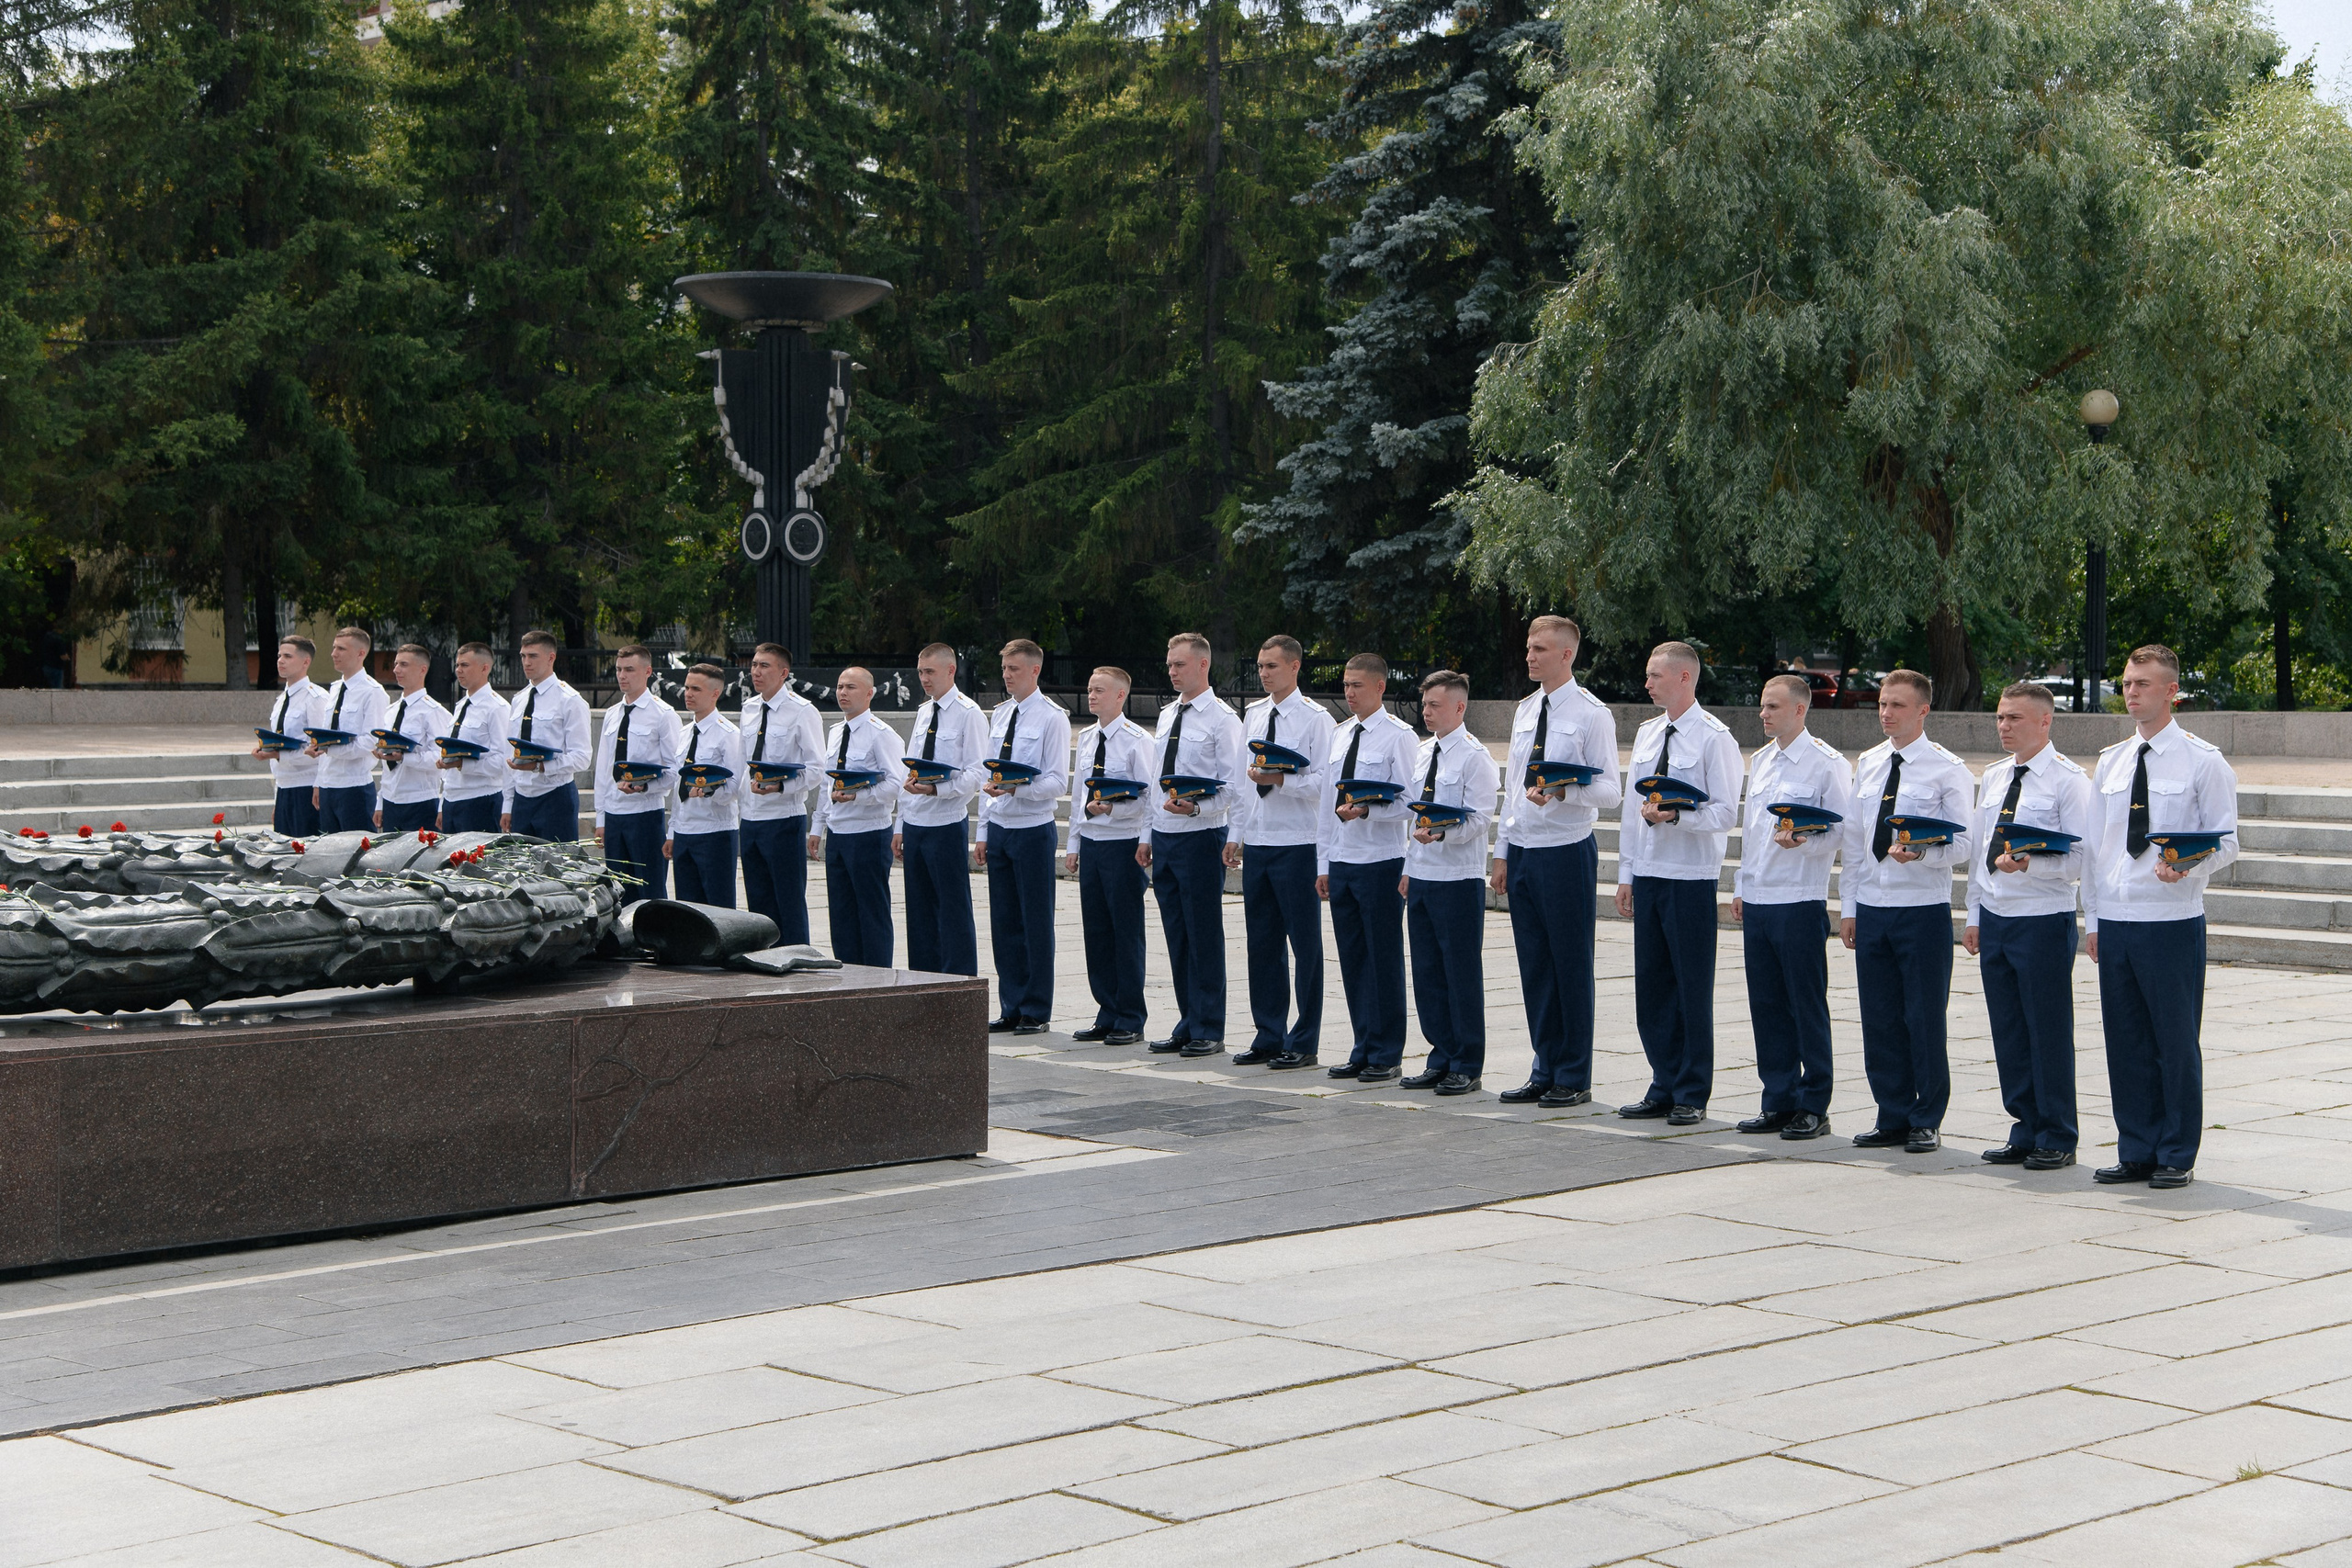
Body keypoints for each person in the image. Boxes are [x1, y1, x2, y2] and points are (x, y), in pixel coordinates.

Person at [2084, 645, 2238, 1190]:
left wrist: (2188, 866)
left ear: (2172, 691)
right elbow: (2097, 849)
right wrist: (2095, 921)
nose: (2131, 692)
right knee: (2124, 1040)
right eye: (2127, 682)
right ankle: (2136, 1149)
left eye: (2144, 683)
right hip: (2119, 922)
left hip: (2171, 921)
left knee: (2173, 1041)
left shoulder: (2203, 760)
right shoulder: (2111, 761)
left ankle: (2176, 1151)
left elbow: (2226, 842)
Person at [1840, 668, 1974, 1153]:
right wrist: (1850, 906)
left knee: (1922, 1016)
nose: (1886, 713)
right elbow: (1856, 842)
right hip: (1874, 906)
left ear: (1923, 710)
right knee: (1879, 1017)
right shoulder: (1870, 763)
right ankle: (1891, 1112)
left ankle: (1926, 1116)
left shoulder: (1946, 768)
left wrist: (1924, 853)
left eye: (1897, 705)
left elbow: (1964, 843)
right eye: (1881, 704)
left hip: (1921, 909)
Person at [1491, 615, 1623, 1108]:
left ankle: (1573, 1073)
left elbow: (1611, 790)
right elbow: (1512, 790)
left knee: (1569, 964)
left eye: (1540, 649)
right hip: (1524, 850)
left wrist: (1565, 792)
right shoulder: (1526, 709)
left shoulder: (1592, 714)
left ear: (1567, 655)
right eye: (1528, 647)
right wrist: (1502, 851)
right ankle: (1543, 1066)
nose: (1530, 656)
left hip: (1566, 851)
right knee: (1535, 966)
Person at [1965, 681, 2095, 1170]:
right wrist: (1976, 915)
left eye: (2015, 718)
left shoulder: (2068, 781)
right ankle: (2024, 1126)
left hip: (2041, 919)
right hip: (1997, 917)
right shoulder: (1997, 776)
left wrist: (2034, 867)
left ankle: (2058, 1133)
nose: (2004, 726)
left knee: (2047, 1030)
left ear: (2045, 721)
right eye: (2000, 717)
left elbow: (2081, 858)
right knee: (2010, 1030)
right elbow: (1982, 854)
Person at [1616, 641, 1743, 1124]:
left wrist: (1676, 818)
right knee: (1652, 987)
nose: (1647, 683)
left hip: (1689, 876)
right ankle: (1662, 1082)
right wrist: (1626, 873)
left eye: (1655, 675)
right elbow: (1632, 811)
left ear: (1684, 678)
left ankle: (1692, 1089)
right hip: (1648, 873)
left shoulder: (1714, 738)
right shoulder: (1649, 734)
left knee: (1690, 987)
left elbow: (1726, 812)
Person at [1730, 673, 1850, 1139]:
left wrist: (1805, 839)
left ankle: (1814, 1104)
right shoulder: (1760, 760)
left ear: (1800, 710)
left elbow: (1841, 831)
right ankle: (1777, 1098)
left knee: (1805, 1005)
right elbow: (1753, 834)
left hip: (1798, 899)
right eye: (1763, 706)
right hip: (1760, 898)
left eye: (1773, 707)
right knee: (1767, 1005)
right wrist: (1742, 885)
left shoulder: (1825, 763)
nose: (1764, 714)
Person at [1233, 635, 1335, 1069]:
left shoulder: (1316, 719)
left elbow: (1324, 785)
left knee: (1304, 945)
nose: (1264, 673)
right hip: (1258, 841)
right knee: (1262, 943)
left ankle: (1305, 1039)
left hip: (1297, 843)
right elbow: (1243, 781)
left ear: (1294, 667)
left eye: (1272, 666)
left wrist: (1282, 781)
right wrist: (1236, 834)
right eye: (1260, 665)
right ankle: (1268, 1033)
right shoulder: (1254, 714)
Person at [1317, 652, 1418, 1084]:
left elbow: (1412, 804)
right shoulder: (1339, 735)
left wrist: (1369, 814)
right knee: (1353, 958)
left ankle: (1386, 1052)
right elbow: (1326, 805)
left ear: (1380, 687)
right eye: (1345, 684)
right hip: (1342, 859)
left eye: (1358, 684)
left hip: (1380, 860)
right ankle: (1362, 1046)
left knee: (1382, 957)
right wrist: (1323, 861)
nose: (1349, 692)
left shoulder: (1399, 737)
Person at [1147, 632, 1249, 1056]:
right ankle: (1188, 1020)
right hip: (1165, 838)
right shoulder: (1168, 714)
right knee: (1176, 934)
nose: (1172, 672)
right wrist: (1147, 835)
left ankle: (1209, 1026)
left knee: (1203, 934)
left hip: (1201, 836)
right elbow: (1157, 781)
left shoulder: (1223, 720)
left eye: (1180, 665)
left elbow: (1233, 788)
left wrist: (1196, 810)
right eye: (1170, 665)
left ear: (1203, 665)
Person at [1400, 671, 1501, 1096]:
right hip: (1422, 874)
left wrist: (1443, 833)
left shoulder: (1475, 757)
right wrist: (1408, 866)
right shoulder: (1423, 753)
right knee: (1426, 972)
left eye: (1435, 705)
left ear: (1459, 708)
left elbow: (1480, 819)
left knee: (1459, 971)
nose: (1426, 711)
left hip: (1456, 877)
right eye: (1424, 705)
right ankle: (1439, 1055)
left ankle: (1466, 1062)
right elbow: (1415, 812)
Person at [976, 640, 1071, 1033]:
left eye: (1014, 668)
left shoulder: (1052, 718)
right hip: (1000, 827)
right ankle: (1011, 1004)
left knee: (1034, 921)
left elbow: (1055, 781)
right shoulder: (1000, 715)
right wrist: (982, 830)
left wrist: (1017, 789)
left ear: (1034, 671)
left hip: (1032, 828)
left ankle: (1035, 1009)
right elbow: (989, 776)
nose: (1006, 675)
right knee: (1004, 922)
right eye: (1004, 668)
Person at [1066, 666, 1156, 1045]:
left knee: (1125, 932)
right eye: (1090, 689)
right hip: (1093, 842)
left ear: (1121, 696)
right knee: (1097, 932)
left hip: (1123, 843)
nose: (1092, 696)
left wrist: (1132, 828)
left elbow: (1149, 798)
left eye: (1100, 690)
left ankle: (1131, 1016)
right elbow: (1076, 798)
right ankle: (1106, 1010)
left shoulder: (1137, 740)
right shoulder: (1087, 738)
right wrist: (1073, 844)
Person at [899, 642, 989, 976]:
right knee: (919, 912)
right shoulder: (924, 712)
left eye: (930, 672)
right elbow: (911, 768)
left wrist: (938, 789)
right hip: (916, 822)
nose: (923, 678)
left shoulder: (969, 713)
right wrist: (900, 823)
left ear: (951, 671)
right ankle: (923, 980)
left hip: (946, 822)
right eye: (921, 671)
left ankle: (958, 982)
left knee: (952, 910)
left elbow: (977, 774)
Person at [812, 667, 903, 965]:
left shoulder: (881, 734)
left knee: (871, 912)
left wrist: (858, 796)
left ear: (869, 693)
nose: (842, 693)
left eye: (850, 687)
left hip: (868, 834)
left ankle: (876, 979)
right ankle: (848, 977)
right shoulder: (836, 732)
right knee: (841, 913)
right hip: (838, 834)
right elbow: (829, 783)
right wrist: (818, 826)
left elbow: (894, 784)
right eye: (839, 686)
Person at [739, 642, 826, 942]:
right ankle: (764, 963)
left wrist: (782, 786)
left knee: (788, 901)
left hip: (783, 819)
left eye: (764, 666)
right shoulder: (748, 709)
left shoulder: (802, 711)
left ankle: (797, 964)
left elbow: (816, 769)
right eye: (754, 665)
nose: (756, 671)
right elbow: (742, 764)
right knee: (758, 903)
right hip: (750, 819)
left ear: (784, 673)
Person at [590, 645, 679, 905]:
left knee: (650, 891)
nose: (622, 676)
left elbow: (674, 771)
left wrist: (645, 787)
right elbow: (604, 769)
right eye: (619, 669)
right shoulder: (612, 714)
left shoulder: (663, 715)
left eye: (629, 669)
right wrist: (601, 817)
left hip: (645, 815)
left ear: (647, 671)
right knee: (618, 892)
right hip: (615, 816)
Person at [667, 662, 745, 908]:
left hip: (715, 832)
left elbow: (735, 787)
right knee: (687, 910)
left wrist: (709, 791)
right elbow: (678, 787)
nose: (688, 694)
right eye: (687, 687)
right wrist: (672, 831)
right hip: (684, 832)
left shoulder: (728, 734)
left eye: (696, 689)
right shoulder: (684, 733)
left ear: (715, 693)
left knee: (718, 908)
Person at [503, 630, 593, 841]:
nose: (526, 662)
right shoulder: (519, 699)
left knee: (557, 869)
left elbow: (582, 757)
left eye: (533, 656)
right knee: (521, 870)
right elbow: (510, 753)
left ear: (551, 657)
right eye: (523, 656)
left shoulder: (570, 700)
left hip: (555, 796)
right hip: (522, 797)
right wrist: (508, 803)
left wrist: (540, 766)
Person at [309, 626, 388, 835]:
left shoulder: (373, 692)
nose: (334, 653)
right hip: (328, 785)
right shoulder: (335, 689)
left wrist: (329, 750)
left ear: (361, 653)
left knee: (357, 853)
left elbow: (371, 741)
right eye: (334, 647)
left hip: (354, 787)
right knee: (330, 853)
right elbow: (327, 734)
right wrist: (319, 782)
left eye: (341, 649)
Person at [373, 643, 451, 834]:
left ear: (422, 669)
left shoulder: (433, 712)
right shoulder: (391, 711)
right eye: (396, 664)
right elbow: (386, 768)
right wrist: (381, 801)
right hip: (392, 800)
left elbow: (441, 757)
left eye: (404, 665)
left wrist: (404, 758)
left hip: (420, 801)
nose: (396, 670)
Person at [438, 641, 511, 835]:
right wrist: (442, 802)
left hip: (480, 799)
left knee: (478, 863)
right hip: (452, 799)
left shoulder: (497, 708)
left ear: (484, 668)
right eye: (457, 665)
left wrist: (462, 764)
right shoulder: (461, 705)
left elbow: (502, 760)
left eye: (465, 665)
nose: (459, 670)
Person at [257, 636, 324, 838]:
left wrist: (319, 785)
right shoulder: (281, 700)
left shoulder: (316, 698)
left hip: (306, 786)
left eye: (287, 656)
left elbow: (321, 748)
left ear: (306, 661)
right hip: (285, 786)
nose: (280, 660)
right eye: (279, 655)